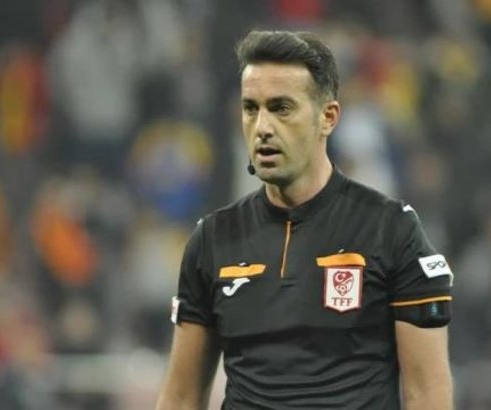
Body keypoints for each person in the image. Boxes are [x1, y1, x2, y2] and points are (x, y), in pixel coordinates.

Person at [156, 30, 454, 410]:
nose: (262, 127)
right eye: (251, 108)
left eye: (281, 108)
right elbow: (181, 398)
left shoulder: (390, 230)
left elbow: (427, 393)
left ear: (327, 117)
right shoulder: (213, 239)